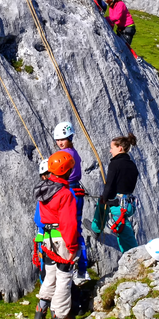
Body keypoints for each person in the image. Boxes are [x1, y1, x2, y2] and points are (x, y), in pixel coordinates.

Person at [34, 151, 80, 319]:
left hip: (47, 237)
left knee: (51, 273)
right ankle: (60, 314)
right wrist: (73, 246)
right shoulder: (65, 194)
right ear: (66, 171)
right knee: (64, 275)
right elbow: (69, 223)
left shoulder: (43, 189)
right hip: (61, 238)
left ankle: (41, 309)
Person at [53, 122, 89, 285]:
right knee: (77, 229)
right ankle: (81, 269)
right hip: (75, 191)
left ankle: (76, 268)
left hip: (69, 191)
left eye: (63, 139)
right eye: (58, 140)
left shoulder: (66, 155)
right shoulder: (72, 152)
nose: (60, 142)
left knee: (71, 230)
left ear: (70, 138)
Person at [89, 133, 139, 253]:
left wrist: (105, 197)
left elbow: (110, 184)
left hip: (118, 205)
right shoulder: (132, 165)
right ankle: (96, 228)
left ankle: (134, 255)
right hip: (128, 202)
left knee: (123, 229)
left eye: (112, 148)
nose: (110, 151)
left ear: (120, 148)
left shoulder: (115, 164)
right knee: (103, 206)